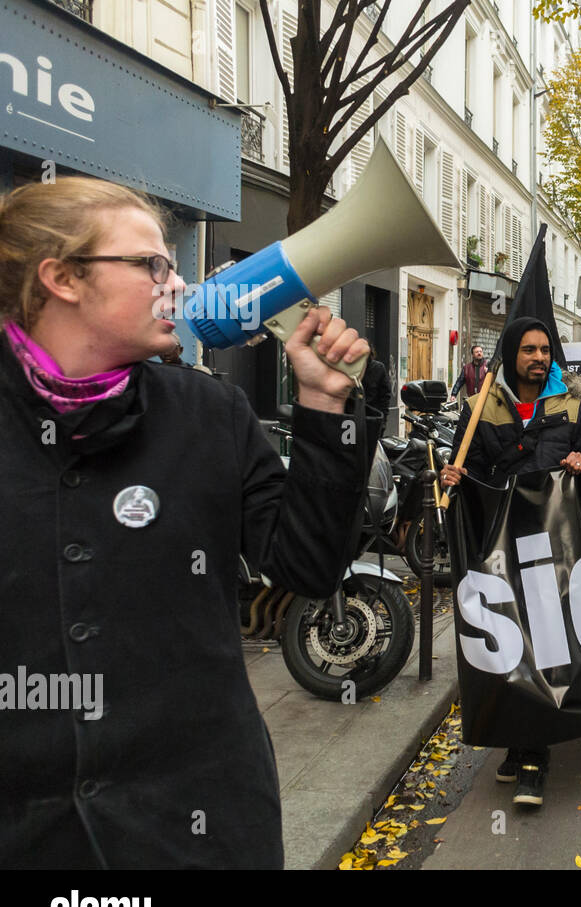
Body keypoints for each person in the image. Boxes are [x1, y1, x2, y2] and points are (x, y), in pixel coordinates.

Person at [0, 177, 373, 868]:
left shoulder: (211, 413)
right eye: (152, 266)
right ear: (62, 278)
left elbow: (309, 567)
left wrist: (325, 413)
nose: (177, 287)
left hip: (198, 828)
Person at [441, 317, 581, 805]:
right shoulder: (478, 407)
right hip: (500, 548)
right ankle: (515, 742)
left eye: (545, 349)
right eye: (529, 349)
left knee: (543, 646)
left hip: (552, 549)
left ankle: (534, 756)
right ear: (511, 354)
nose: (539, 357)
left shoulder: (571, 407)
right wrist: (453, 476)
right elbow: (466, 472)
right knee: (507, 647)